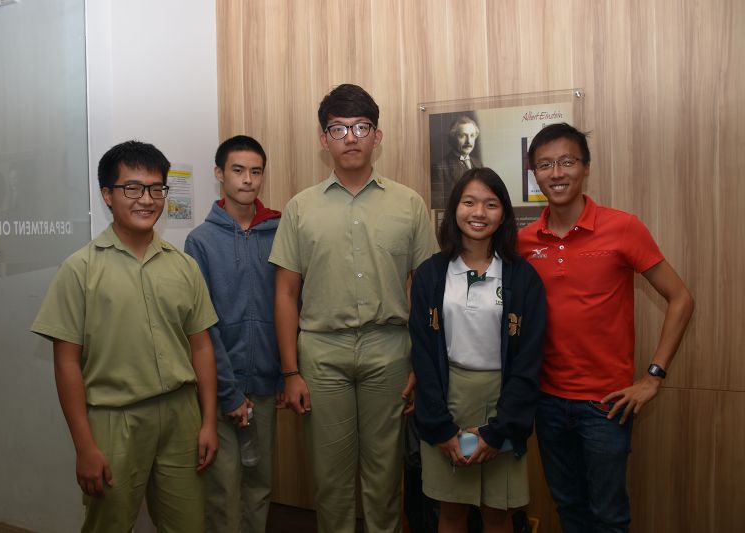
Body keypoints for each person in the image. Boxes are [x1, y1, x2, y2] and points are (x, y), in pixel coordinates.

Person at [269, 83, 436, 533]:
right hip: (322, 354)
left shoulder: (409, 204)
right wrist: (290, 371)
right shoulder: (300, 208)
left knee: (385, 478)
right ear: (323, 139)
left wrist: (421, 364)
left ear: (377, 136)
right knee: (330, 480)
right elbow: (284, 294)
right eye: (338, 129)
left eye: (361, 127)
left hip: (390, 350)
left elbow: (426, 291)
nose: (350, 137)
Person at [31, 140, 219, 533]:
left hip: (181, 415)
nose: (146, 199)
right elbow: (66, 363)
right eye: (132, 188)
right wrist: (85, 446)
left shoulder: (184, 266)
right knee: (109, 524)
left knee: (190, 524)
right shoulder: (80, 269)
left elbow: (201, 347)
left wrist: (207, 422)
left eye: (156, 188)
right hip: (114, 420)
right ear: (107, 194)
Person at [518, 123, 694, 533]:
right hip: (546, 401)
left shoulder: (623, 227)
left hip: (606, 404)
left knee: (608, 516)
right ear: (534, 174)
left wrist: (653, 377)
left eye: (567, 161)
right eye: (544, 164)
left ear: (586, 167)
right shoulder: (524, 241)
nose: (556, 173)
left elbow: (681, 298)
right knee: (569, 510)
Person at [410, 168, 546, 533]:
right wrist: (440, 426)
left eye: (491, 204)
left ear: (504, 214)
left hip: (504, 403)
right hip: (448, 400)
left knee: (497, 513)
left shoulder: (523, 277)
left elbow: (529, 359)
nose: (479, 213)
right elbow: (423, 354)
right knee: (452, 510)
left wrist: (499, 429)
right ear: (455, 208)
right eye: (469, 202)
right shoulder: (430, 274)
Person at [184, 135, 282, 533]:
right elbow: (201, 325)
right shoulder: (200, 241)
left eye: (256, 171)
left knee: (260, 485)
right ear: (219, 174)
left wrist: (284, 373)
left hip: (266, 385)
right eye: (238, 170)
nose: (247, 180)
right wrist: (228, 393)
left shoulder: (279, 231)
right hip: (219, 386)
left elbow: (292, 305)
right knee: (223, 490)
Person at [431, 115, 482, 210]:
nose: (468, 141)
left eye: (472, 136)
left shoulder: (478, 164)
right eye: (462, 136)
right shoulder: (440, 167)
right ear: (452, 138)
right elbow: (438, 206)